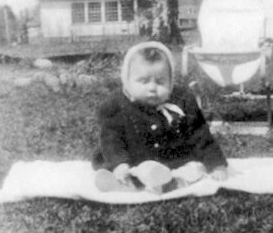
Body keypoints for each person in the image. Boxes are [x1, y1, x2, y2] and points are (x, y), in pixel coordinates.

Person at [92, 41, 228, 193]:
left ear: (170, 82)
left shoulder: (182, 102)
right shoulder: (117, 105)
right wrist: (119, 163)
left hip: (173, 162)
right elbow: (111, 139)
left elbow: (200, 136)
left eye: (160, 82)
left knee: (192, 171)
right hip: (133, 162)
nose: (152, 88)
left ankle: (161, 184)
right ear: (127, 81)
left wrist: (216, 165)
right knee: (125, 171)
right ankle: (121, 182)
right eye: (143, 81)